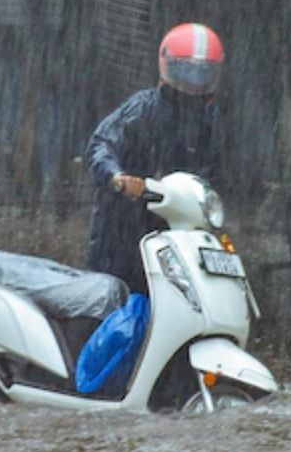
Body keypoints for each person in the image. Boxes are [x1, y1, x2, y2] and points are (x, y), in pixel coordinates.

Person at [85, 23, 227, 294]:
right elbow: (101, 144)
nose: (193, 80)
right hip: (126, 222)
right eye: (186, 70)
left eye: (202, 72)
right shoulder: (144, 107)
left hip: (178, 223)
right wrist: (118, 177)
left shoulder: (209, 119)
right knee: (115, 297)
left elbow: (213, 169)